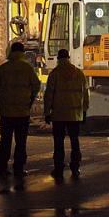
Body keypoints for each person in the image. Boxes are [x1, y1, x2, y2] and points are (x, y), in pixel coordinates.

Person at [0, 41, 40, 178]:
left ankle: (2, 167)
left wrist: (3, 95)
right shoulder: (28, 68)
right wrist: (30, 98)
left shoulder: (3, 68)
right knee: (21, 142)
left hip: (6, 111)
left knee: (5, 140)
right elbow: (36, 86)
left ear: (11, 52)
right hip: (22, 111)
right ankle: (19, 167)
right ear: (23, 53)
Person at [44, 49, 89, 180]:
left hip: (58, 115)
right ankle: (75, 167)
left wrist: (47, 112)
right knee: (75, 141)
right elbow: (85, 94)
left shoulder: (54, 74)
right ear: (68, 58)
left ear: (58, 59)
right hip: (74, 114)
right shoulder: (79, 73)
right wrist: (84, 111)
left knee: (58, 143)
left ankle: (58, 168)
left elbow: (49, 95)